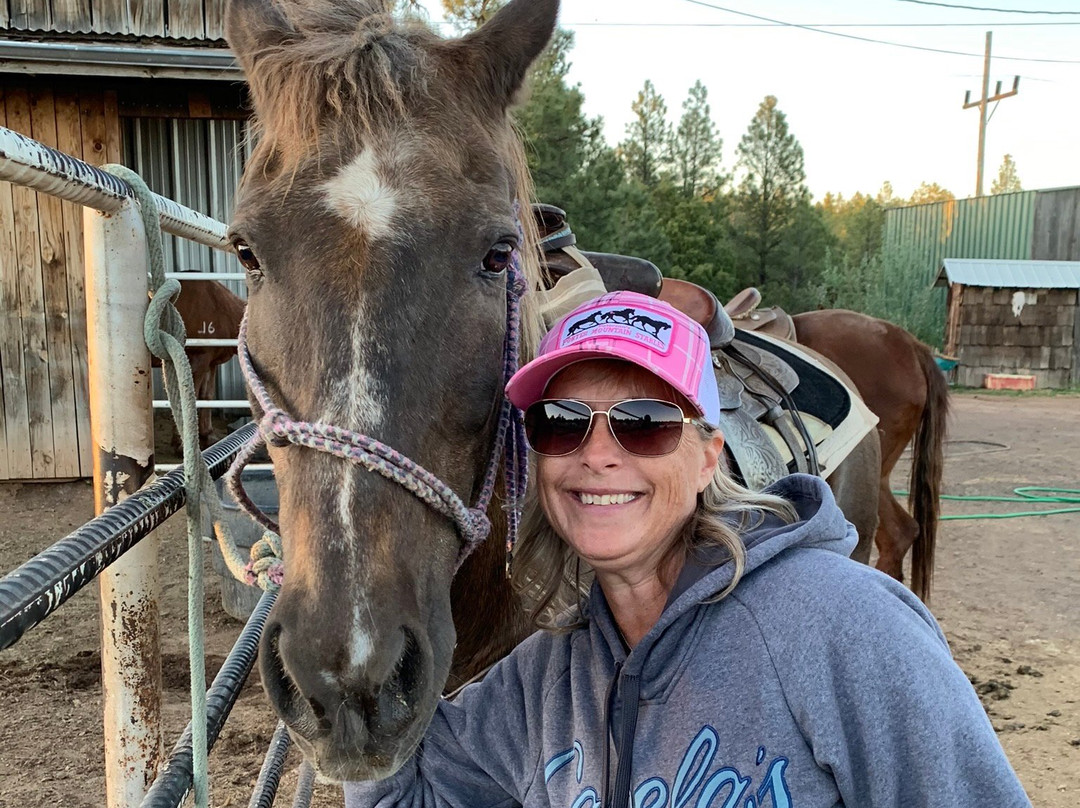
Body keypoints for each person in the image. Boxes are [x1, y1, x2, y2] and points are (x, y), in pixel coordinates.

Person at [345, 290, 1031, 807]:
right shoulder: (540, 682)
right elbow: (405, 795)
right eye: (561, 423)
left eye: (643, 423)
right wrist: (356, 595)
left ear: (708, 458)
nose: (598, 457)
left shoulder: (845, 628)